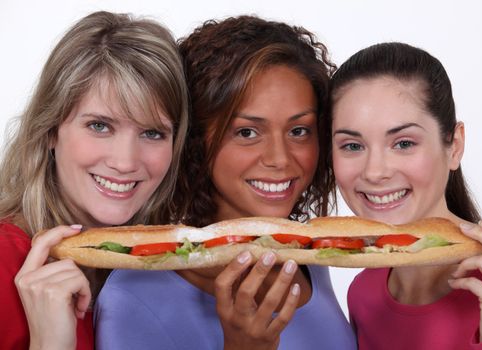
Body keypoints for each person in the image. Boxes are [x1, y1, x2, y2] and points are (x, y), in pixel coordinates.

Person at [95, 15, 357, 350]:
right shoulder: (132, 295)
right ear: (195, 141)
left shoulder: (308, 262)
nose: (279, 158)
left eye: (298, 131)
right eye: (247, 132)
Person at [0, 11, 189, 350]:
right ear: (50, 131)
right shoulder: (3, 261)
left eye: (152, 132)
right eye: (100, 126)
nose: (125, 161)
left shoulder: (162, 269)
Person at [330, 42, 482, 349]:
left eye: (404, 143)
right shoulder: (362, 295)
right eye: (352, 146)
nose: (375, 172)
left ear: (455, 146)